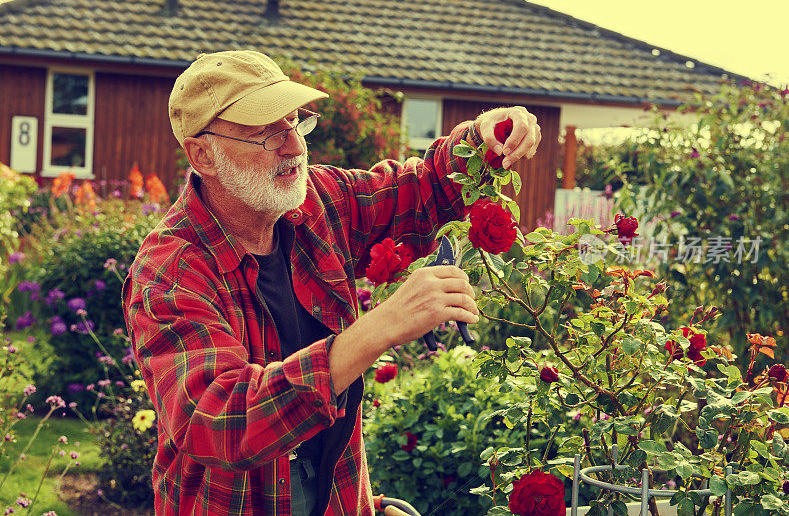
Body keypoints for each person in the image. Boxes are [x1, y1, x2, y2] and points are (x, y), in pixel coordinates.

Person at [122, 49, 542, 516]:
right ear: (203, 155)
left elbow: (424, 190)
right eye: (265, 133)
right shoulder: (171, 271)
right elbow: (220, 421)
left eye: (294, 123)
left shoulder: (318, 203)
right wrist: (379, 328)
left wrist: (486, 138)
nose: (294, 147)